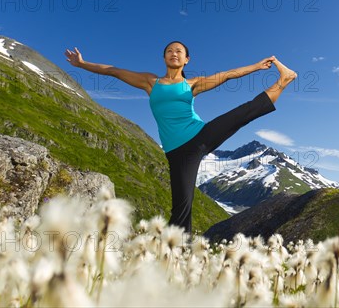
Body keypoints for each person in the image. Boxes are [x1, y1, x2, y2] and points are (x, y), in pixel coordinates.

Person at [65, 41, 296, 234]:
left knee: (243, 113)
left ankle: (283, 80)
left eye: (179, 51)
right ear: (164, 58)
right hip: (176, 153)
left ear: (187, 60)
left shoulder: (191, 84)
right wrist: (82, 64)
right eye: (169, 51)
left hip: (199, 136)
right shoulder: (150, 82)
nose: (174, 53)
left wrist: (256, 66)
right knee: (181, 207)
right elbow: (112, 70)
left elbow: (227, 75)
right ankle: (177, 255)